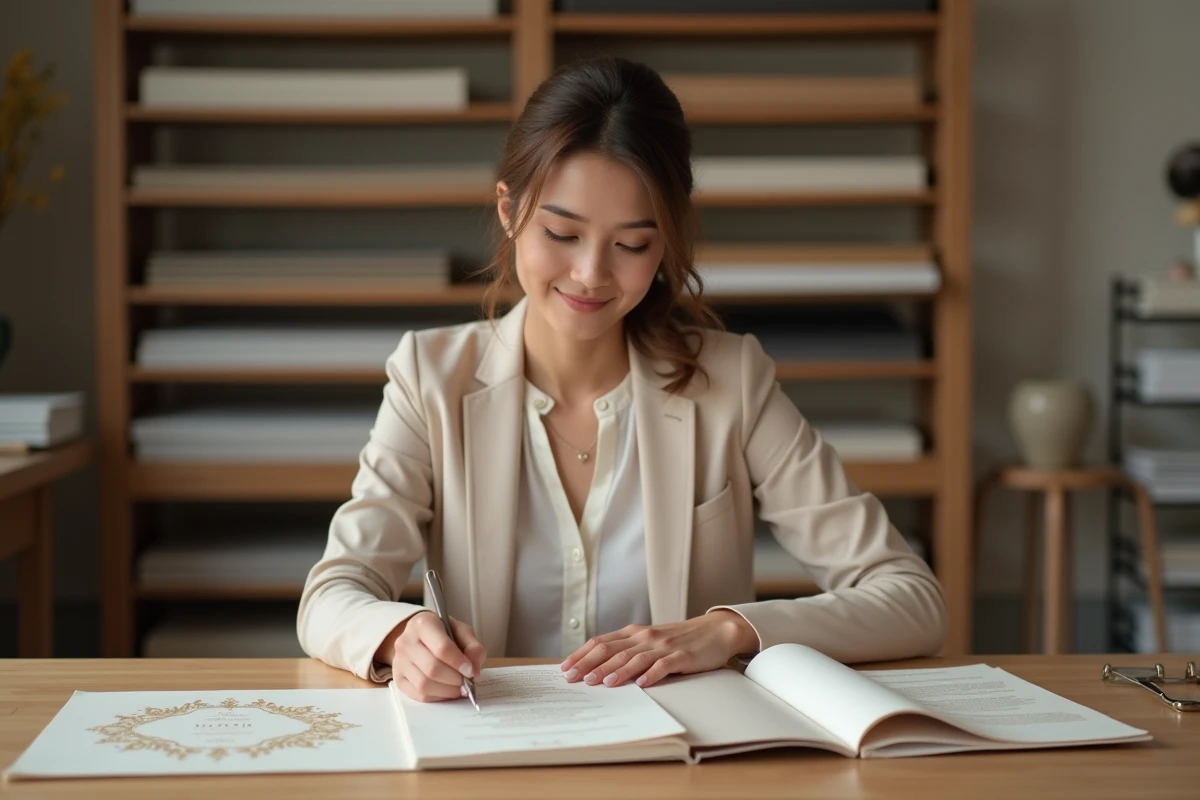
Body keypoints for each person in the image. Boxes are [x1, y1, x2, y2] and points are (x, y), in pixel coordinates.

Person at [298, 56, 947, 702]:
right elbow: (332, 594)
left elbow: (911, 598)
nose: (590, 274)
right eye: (561, 232)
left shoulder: (733, 382)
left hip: (685, 762)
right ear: (508, 210)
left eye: (632, 245)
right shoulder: (429, 378)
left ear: (665, 242)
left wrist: (728, 630)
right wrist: (401, 633)